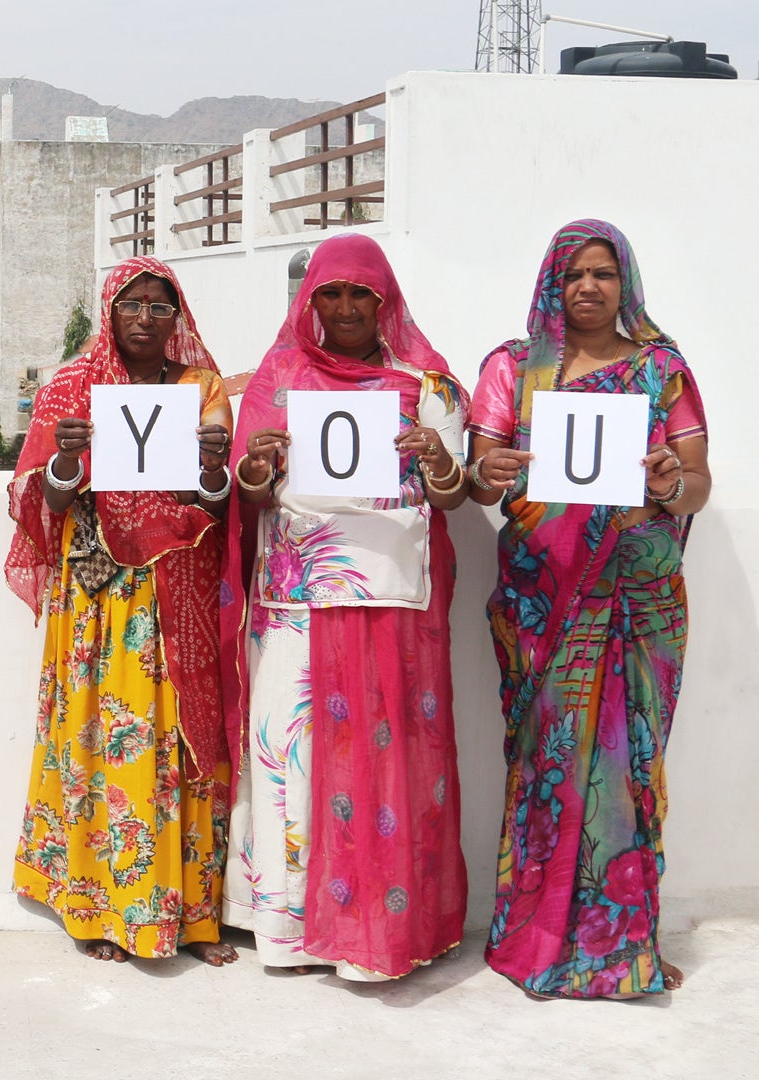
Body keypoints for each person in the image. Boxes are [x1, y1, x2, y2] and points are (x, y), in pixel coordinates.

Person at [467, 220, 709, 999]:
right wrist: (489, 469)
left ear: (625, 281)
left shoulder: (661, 371)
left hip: (638, 596)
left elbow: (699, 482)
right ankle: (534, 938)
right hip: (547, 599)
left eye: (604, 273)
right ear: (552, 283)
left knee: (631, 768)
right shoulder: (513, 369)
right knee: (548, 765)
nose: (589, 288)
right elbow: (480, 477)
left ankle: (626, 941)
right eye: (573, 274)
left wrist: (671, 481)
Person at [221, 233, 470, 980]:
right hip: (297, 602)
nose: (346, 307)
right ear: (310, 299)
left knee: (383, 758)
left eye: (362, 293)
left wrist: (438, 459)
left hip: (390, 600)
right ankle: (291, 926)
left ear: (385, 298)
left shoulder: (427, 382)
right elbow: (249, 487)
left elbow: (454, 495)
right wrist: (259, 468)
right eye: (330, 293)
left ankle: (375, 935)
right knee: (290, 755)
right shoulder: (282, 373)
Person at [5, 257, 239, 966]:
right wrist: (68, 462)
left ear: (178, 317)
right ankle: (98, 907)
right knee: (99, 742)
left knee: (177, 743)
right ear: (108, 310)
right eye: (132, 303)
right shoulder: (72, 389)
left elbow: (215, 503)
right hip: (100, 594)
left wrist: (210, 466)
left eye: (160, 306)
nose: (145, 316)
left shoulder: (202, 389)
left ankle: (190, 914)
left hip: (177, 589)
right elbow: (37, 499)